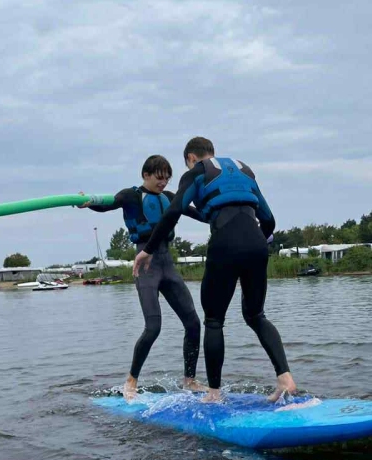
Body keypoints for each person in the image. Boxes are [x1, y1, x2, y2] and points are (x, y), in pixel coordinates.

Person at [133, 137, 296, 403]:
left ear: (190, 158)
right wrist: (254, 245)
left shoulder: (196, 172)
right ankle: (285, 378)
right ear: (212, 152)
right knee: (256, 315)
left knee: (214, 321)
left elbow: (173, 212)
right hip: (257, 243)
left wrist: (148, 249)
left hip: (225, 242)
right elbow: (269, 220)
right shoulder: (244, 170)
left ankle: (214, 393)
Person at [80, 155, 204, 402]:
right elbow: (108, 204)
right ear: (145, 175)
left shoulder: (170, 197)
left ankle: (189, 380)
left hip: (168, 265)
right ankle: (131, 381)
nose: (164, 182)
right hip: (146, 267)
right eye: (159, 177)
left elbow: (197, 214)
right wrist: (87, 201)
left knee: (193, 324)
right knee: (153, 328)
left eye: (167, 178)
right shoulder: (130, 196)